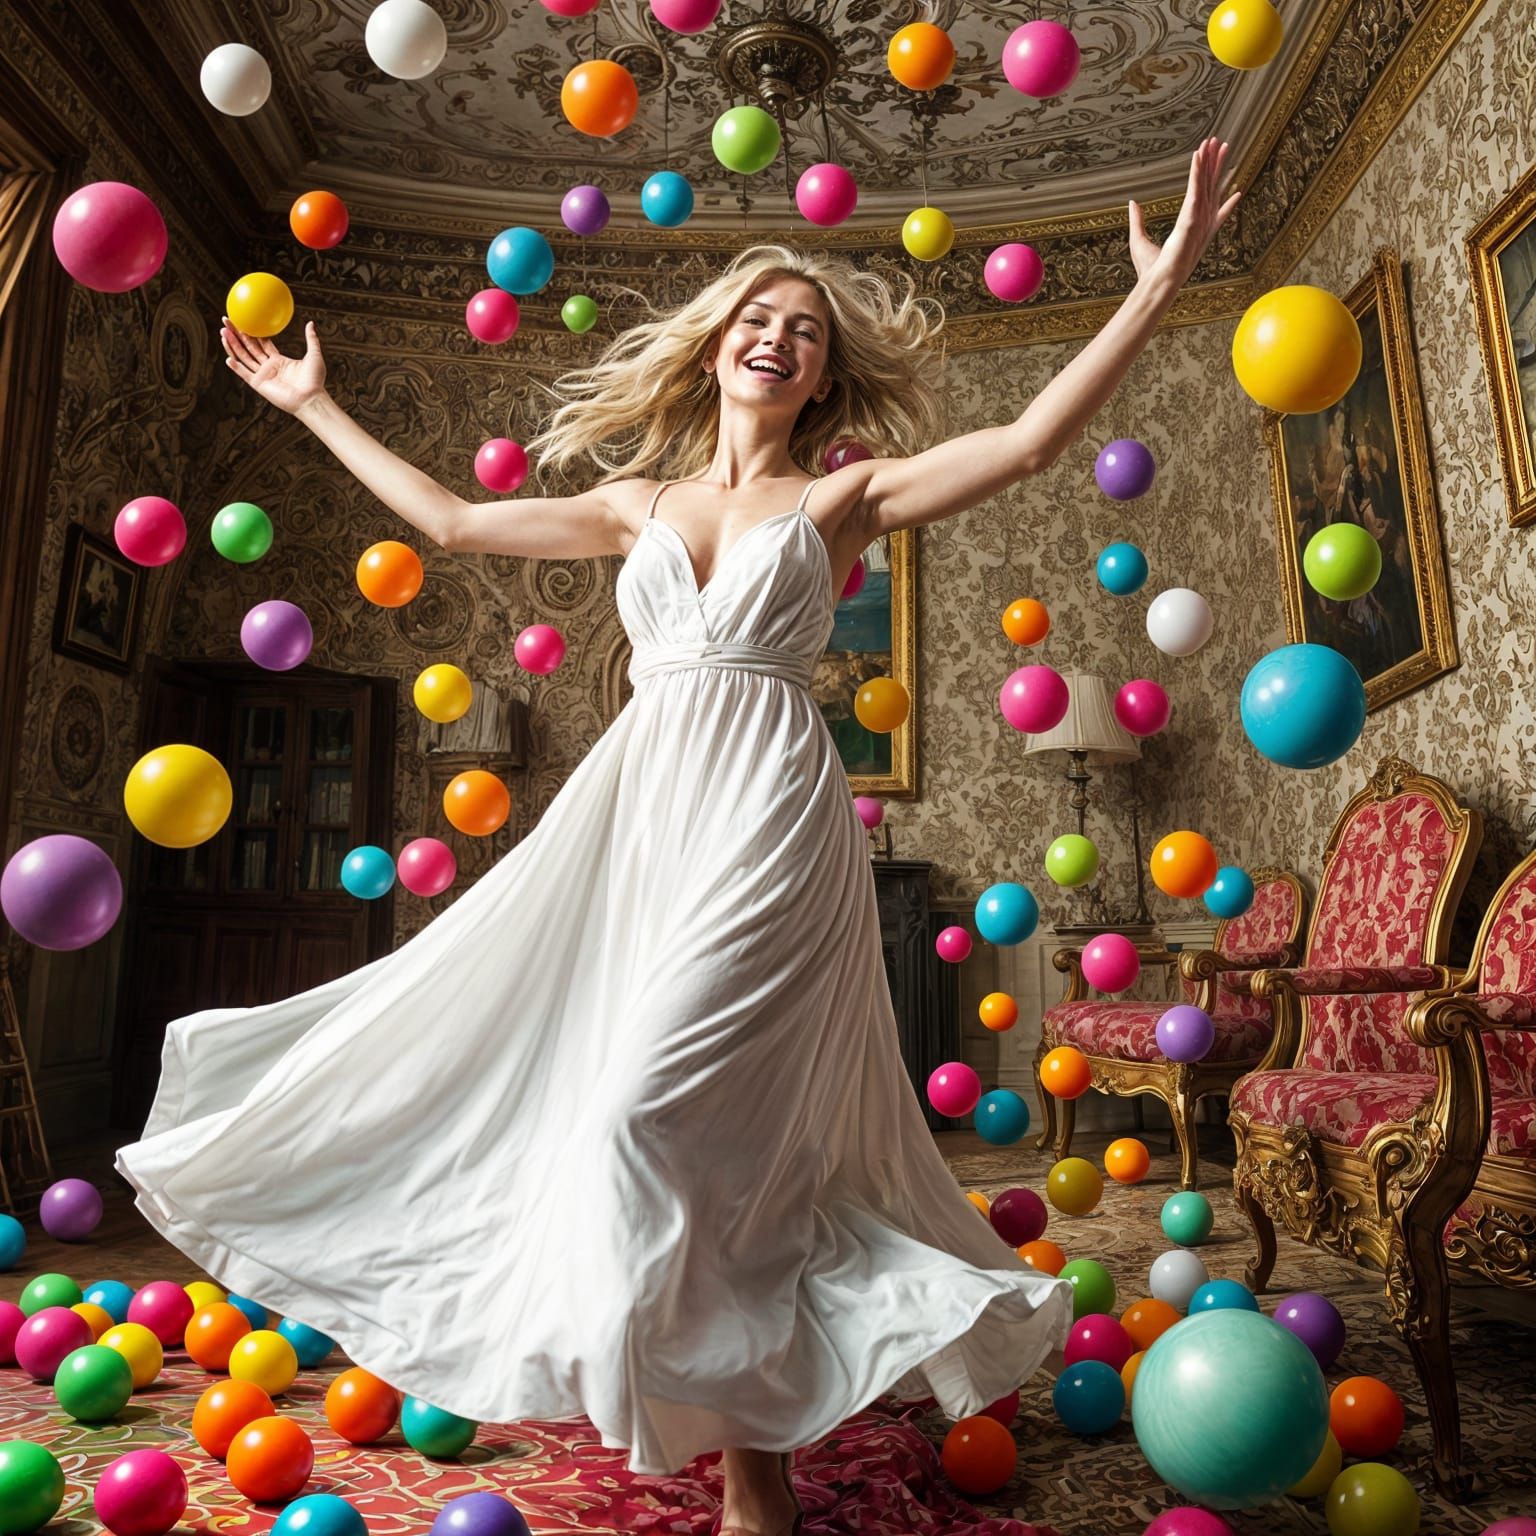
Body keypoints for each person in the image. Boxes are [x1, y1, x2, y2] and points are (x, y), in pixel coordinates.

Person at [115, 142, 1238, 1536]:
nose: (778, 338)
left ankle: (749, 1462)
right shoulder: (635, 504)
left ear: (821, 380)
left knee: (654, 1111)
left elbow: (1026, 446)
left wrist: (1157, 288)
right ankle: (751, 1457)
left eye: (805, 332)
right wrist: (315, 403)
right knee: (686, 1130)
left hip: (774, 816)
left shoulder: (843, 499)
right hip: (648, 819)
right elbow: (454, 523)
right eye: (758, 318)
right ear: (716, 349)